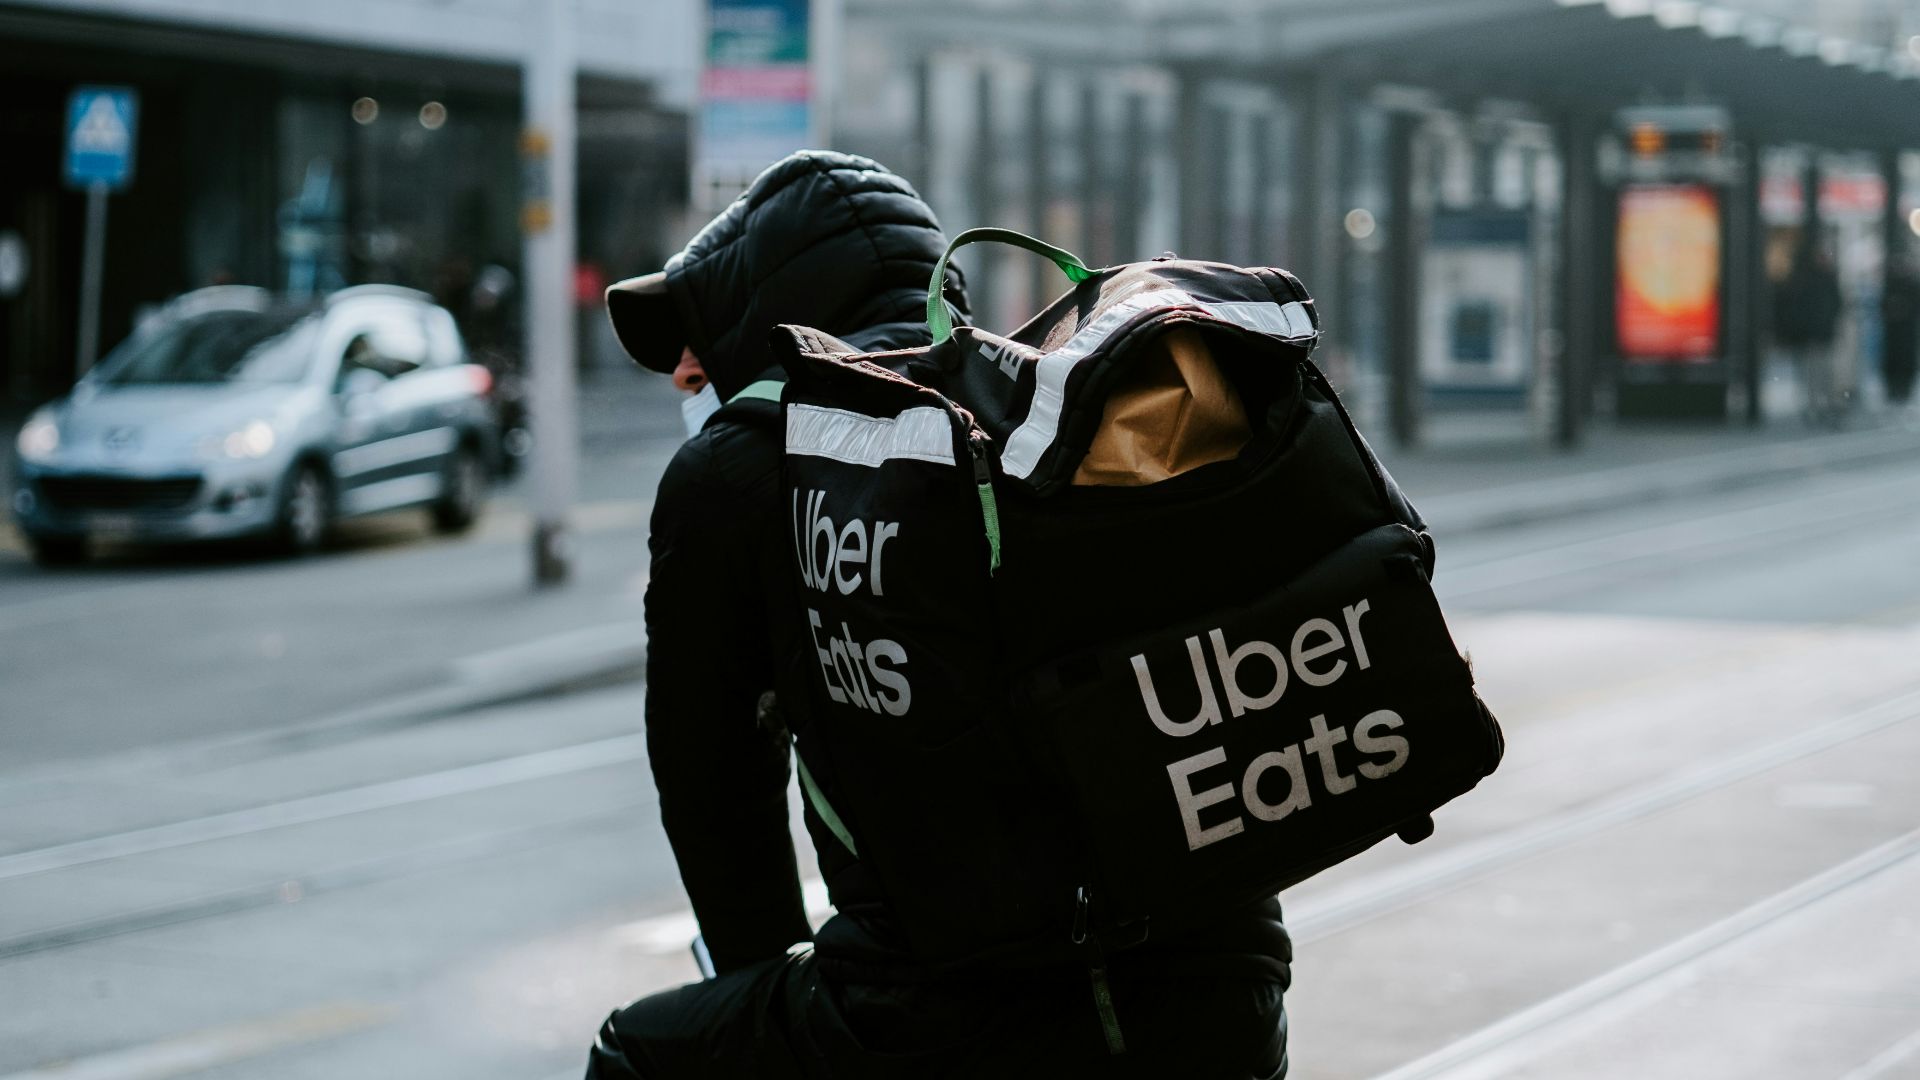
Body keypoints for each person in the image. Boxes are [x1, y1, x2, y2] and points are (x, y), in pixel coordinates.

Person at [587, 150, 1290, 1079]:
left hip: (951, 1014)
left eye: (700, 337)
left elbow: (714, 786)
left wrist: (767, 977)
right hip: (1225, 997)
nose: (686, 372)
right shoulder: (1037, 429)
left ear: (769, 314)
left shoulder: (740, 469)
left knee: (638, 1055)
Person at [1775, 237, 1847, 425]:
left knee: (1817, 372)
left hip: (1815, 334)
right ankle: (1819, 405)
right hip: (1814, 334)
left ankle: (1818, 406)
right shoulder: (1820, 279)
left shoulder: (1803, 279)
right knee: (1818, 372)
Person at [1880, 253, 1919, 408]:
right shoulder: (1892, 285)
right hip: (1896, 333)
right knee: (1896, 361)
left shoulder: (1909, 285)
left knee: (1903, 362)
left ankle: (1902, 390)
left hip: (1905, 332)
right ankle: (1895, 390)